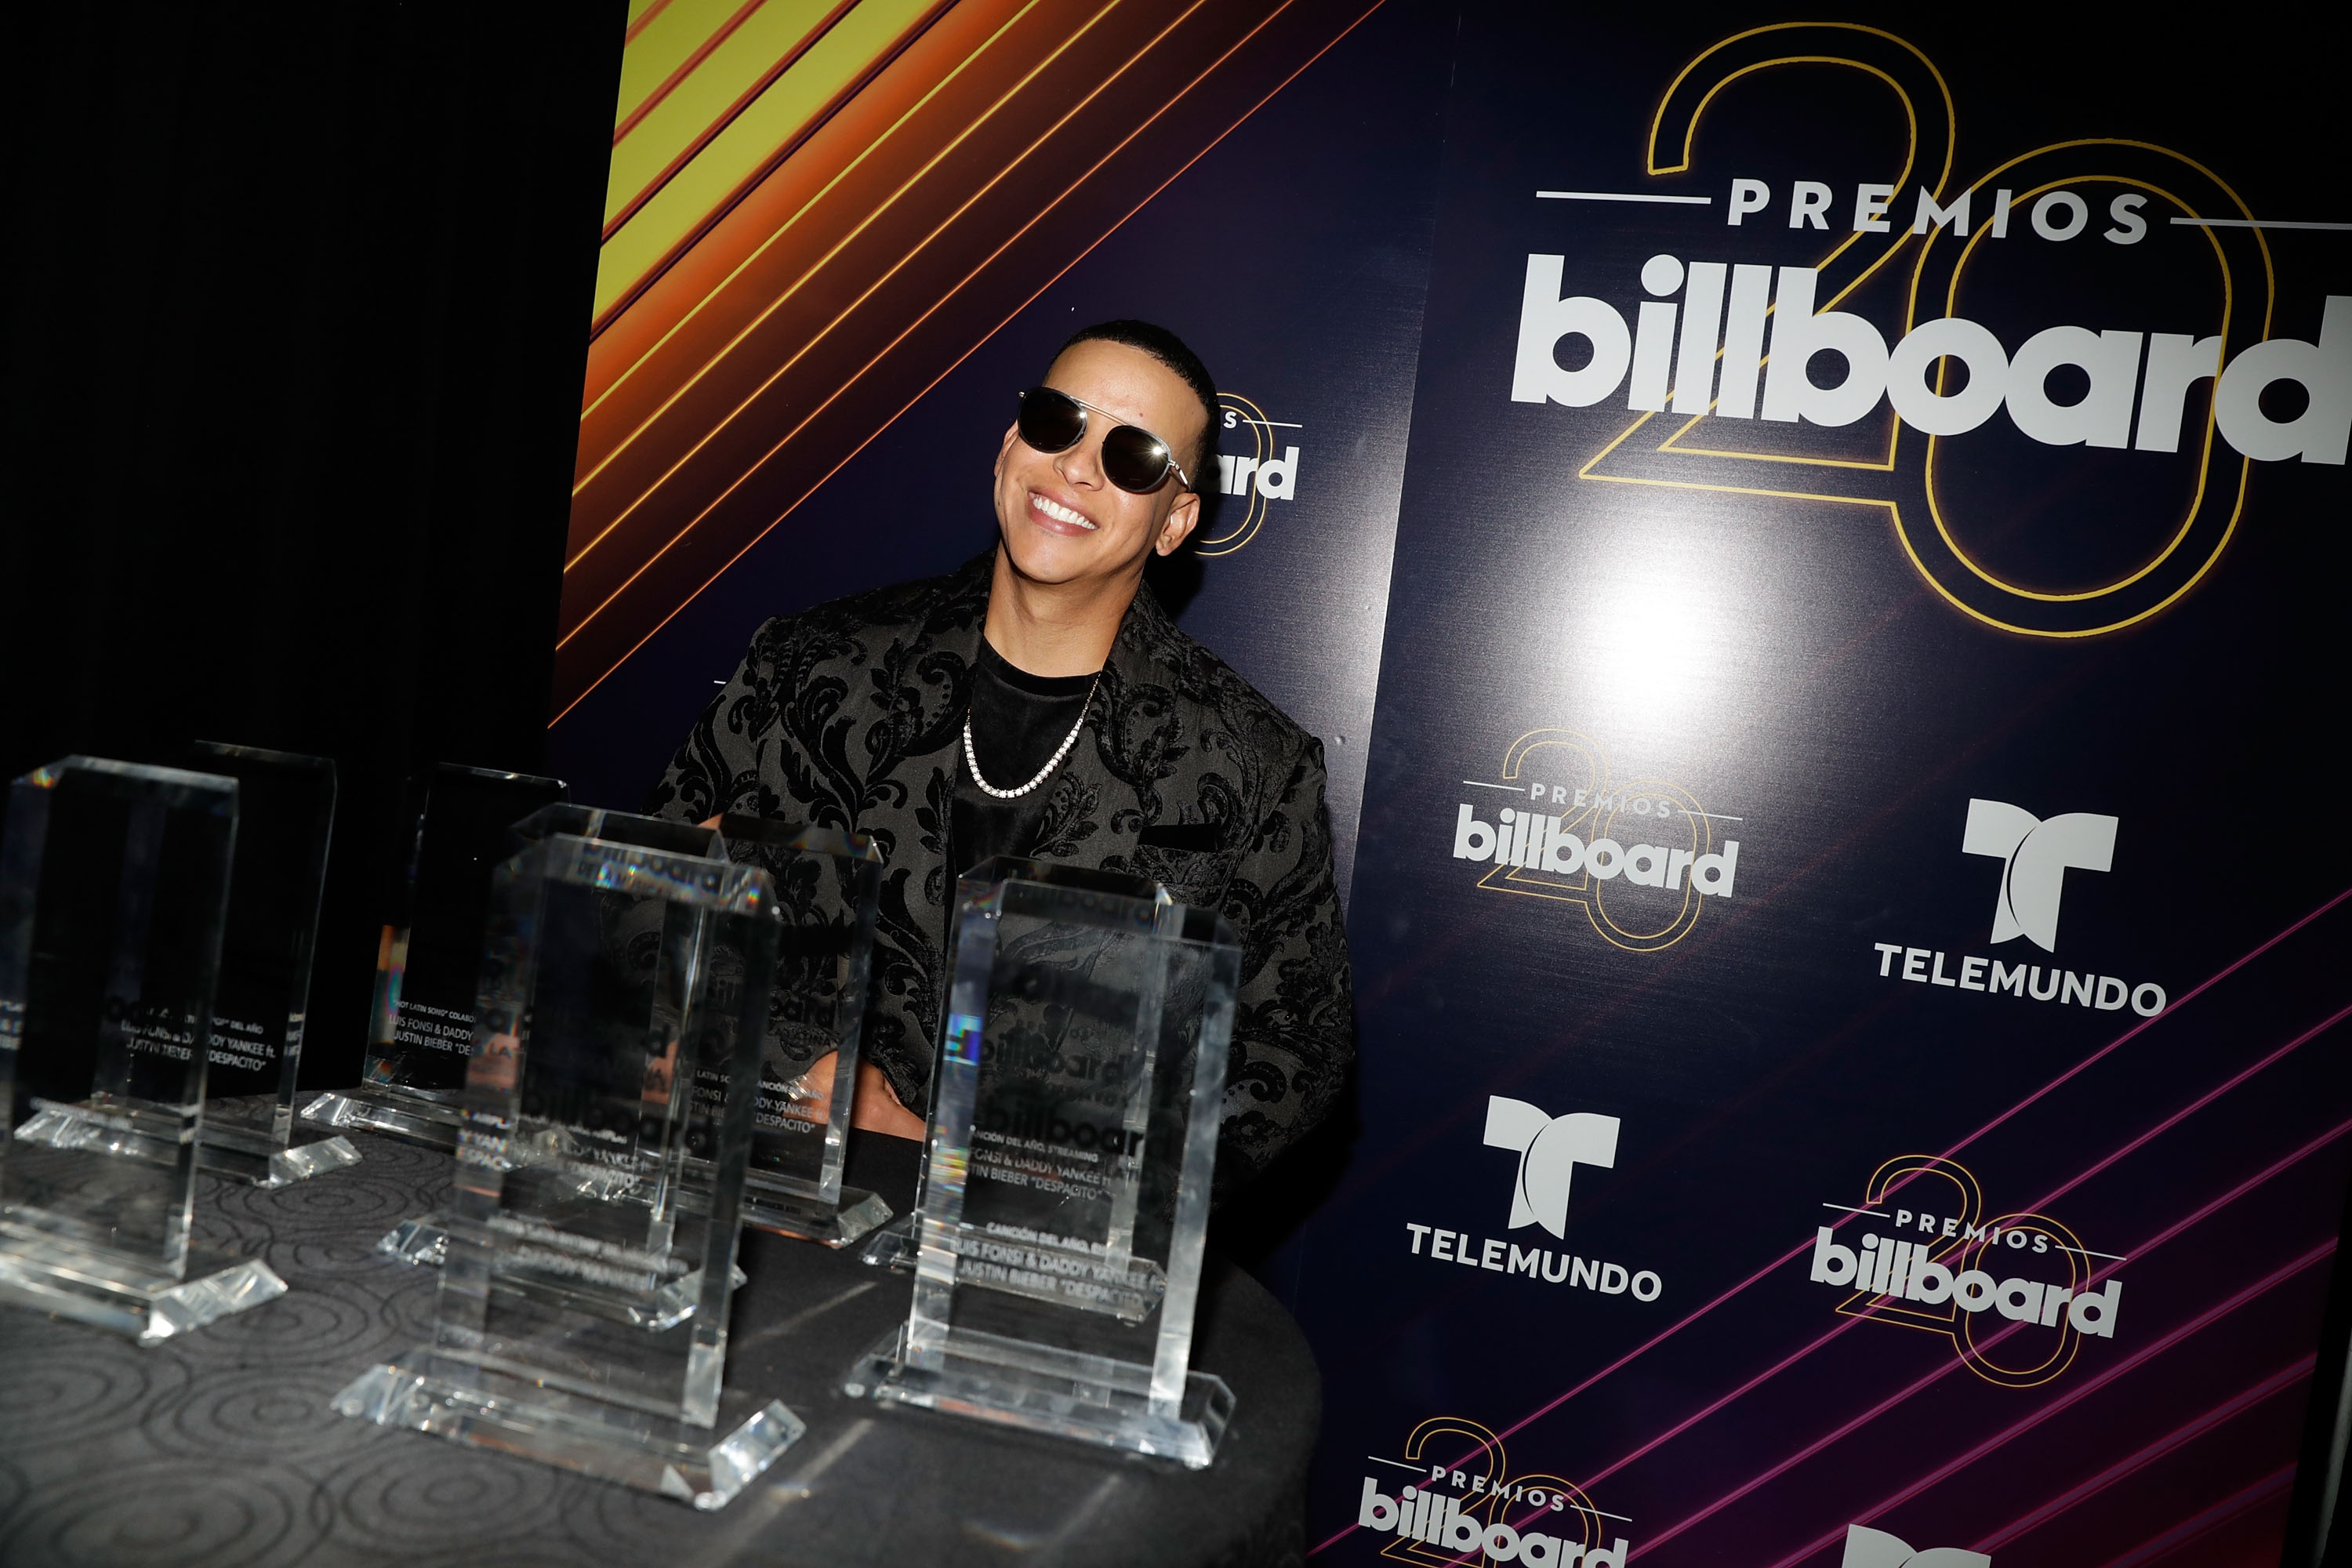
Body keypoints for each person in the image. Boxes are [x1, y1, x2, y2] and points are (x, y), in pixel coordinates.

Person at [648, 320, 1352, 1197]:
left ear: (1175, 522)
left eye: (1133, 455)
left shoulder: (1251, 766)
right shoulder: (812, 664)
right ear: (1011, 444)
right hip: (767, 1211)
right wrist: (808, 1075)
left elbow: (1289, 1061)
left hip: (1028, 1275)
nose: (1078, 465)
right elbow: (648, 895)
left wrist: (997, 1165)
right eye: (1061, 421)